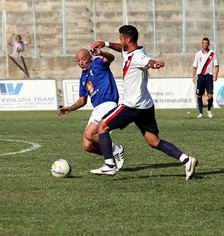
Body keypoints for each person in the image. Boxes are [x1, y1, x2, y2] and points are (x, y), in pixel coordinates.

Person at [90, 25, 197, 180]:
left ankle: (109, 165)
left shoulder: (138, 56)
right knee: (154, 141)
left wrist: (155, 64)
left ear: (128, 39)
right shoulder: (130, 51)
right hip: (145, 105)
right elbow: (120, 48)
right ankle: (187, 160)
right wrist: (105, 43)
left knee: (102, 127)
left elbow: (148, 62)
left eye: (121, 38)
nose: (119, 42)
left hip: (132, 105)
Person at [57, 48, 124, 171]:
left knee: (89, 134)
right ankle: (111, 156)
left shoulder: (97, 63)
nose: (81, 62)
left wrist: (102, 52)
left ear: (89, 58)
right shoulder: (83, 79)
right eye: (78, 60)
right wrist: (69, 109)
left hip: (108, 104)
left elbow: (111, 58)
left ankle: (115, 150)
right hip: (97, 109)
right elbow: (82, 100)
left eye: (83, 59)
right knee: (87, 146)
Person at [192, 37, 219, 118]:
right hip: (200, 76)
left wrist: (216, 75)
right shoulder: (198, 54)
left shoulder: (213, 54)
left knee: (210, 95)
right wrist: (193, 76)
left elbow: (216, 65)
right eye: (203, 43)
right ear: (202, 44)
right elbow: (194, 66)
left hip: (209, 76)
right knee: (199, 95)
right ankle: (201, 113)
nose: (205, 45)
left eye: (206, 43)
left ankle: (209, 110)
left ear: (208, 44)